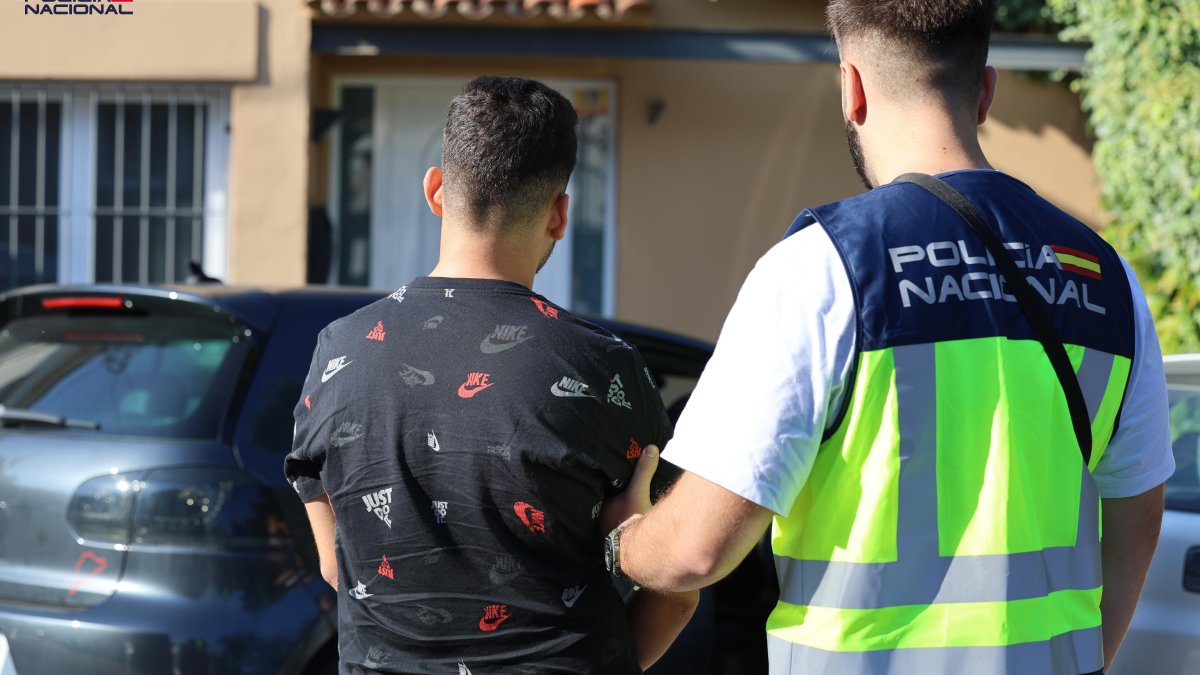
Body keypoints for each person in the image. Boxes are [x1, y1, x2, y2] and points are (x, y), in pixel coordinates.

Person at [600, 2, 1174, 674]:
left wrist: (623, 537)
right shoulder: (1106, 279)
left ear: (853, 88)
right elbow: (1137, 521)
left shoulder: (824, 268)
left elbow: (697, 550)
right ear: (983, 89)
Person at [285, 76, 696, 674]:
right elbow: (677, 587)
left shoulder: (337, 350)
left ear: (435, 190)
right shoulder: (604, 365)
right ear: (559, 214)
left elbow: (337, 566)